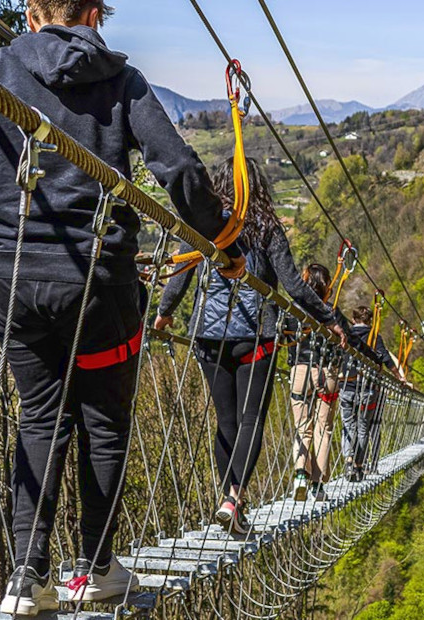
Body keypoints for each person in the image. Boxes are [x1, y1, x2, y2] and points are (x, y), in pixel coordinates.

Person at [0, 1, 246, 614]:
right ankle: (95, 568)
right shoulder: (123, 80)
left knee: (39, 418)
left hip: (13, 286)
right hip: (98, 289)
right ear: (94, 14)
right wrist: (223, 241)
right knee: (105, 424)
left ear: (32, 13)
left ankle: (25, 575)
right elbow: (181, 172)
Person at [155, 157, 345, 533]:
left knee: (225, 422)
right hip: (255, 339)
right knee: (249, 420)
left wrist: (164, 312)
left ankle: (229, 498)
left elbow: (180, 270)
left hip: (208, 339)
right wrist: (328, 318)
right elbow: (292, 284)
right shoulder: (267, 227)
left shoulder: (203, 221)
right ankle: (234, 498)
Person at [283, 264, 346, 502]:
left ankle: (301, 473)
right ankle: (318, 485)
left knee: (302, 426)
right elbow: (350, 343)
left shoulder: (291, 310)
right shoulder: (331, 311)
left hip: (300, 371)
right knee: (324, 428)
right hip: (327, 373)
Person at [339, 305, 401, 482]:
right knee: (363, 427)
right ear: (371, 321)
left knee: (348, 425)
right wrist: (399, 377)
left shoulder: (346, 335)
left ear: (353, 320)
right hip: (368, 390)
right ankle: (359, 465)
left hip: (347, 386)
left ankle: (349, 460)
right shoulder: (375, 338)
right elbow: (386, 359)